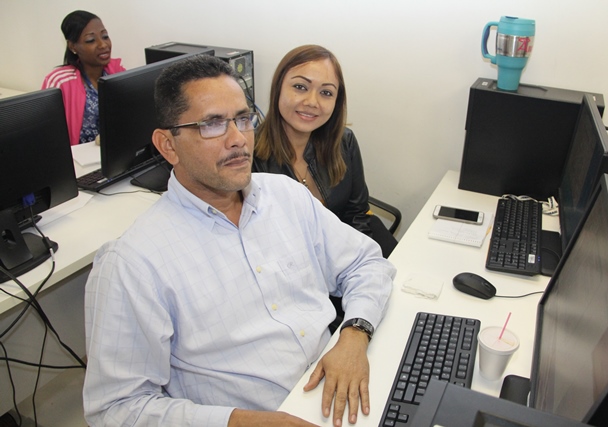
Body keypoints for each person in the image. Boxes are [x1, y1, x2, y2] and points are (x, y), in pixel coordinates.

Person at [83, 54, 396, 427]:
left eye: (244, 119)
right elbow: (116, 408)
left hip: (342, 383)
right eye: (212, 124)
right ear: (168, 146)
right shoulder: (132, 264)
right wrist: (243, 422)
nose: (238, 140)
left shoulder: (285, 195)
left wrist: (354, 335)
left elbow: (366, 263)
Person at [252, 45, 398, 259]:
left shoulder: (344, 142)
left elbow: (356, 214)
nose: (312, 102)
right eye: (300, 87)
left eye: (326, 92)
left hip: (345, 258)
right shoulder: (248, 155)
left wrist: (358, 266)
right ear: (278, 88)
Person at [41, 10, 125, 145]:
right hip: (78, 156)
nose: (103, 45)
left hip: (114, 150)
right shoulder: (59, 82)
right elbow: (47, 135)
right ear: (72, 46)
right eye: (91, 40)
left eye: (105, 36)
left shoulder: (117, 72)